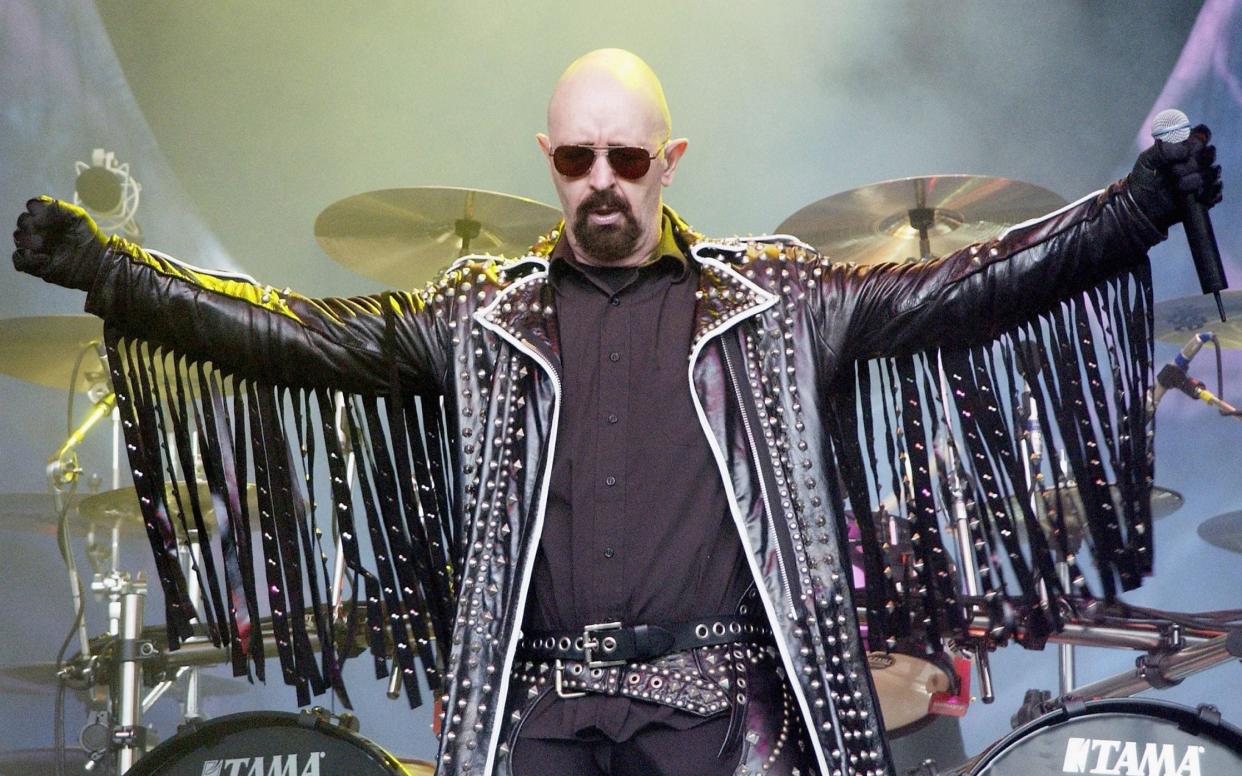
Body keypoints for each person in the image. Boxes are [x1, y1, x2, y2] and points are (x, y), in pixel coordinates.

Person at [12, 49, 1221, 776]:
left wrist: (1135, 212)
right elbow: (294, 330)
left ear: (672, 159)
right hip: (535, 717)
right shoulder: (485, 318)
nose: (600, 182)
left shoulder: (776, 301)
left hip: (712, 717)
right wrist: (116, 273)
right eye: (578, 158)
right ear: (549, 158)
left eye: (626, 161)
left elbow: (971, 286)